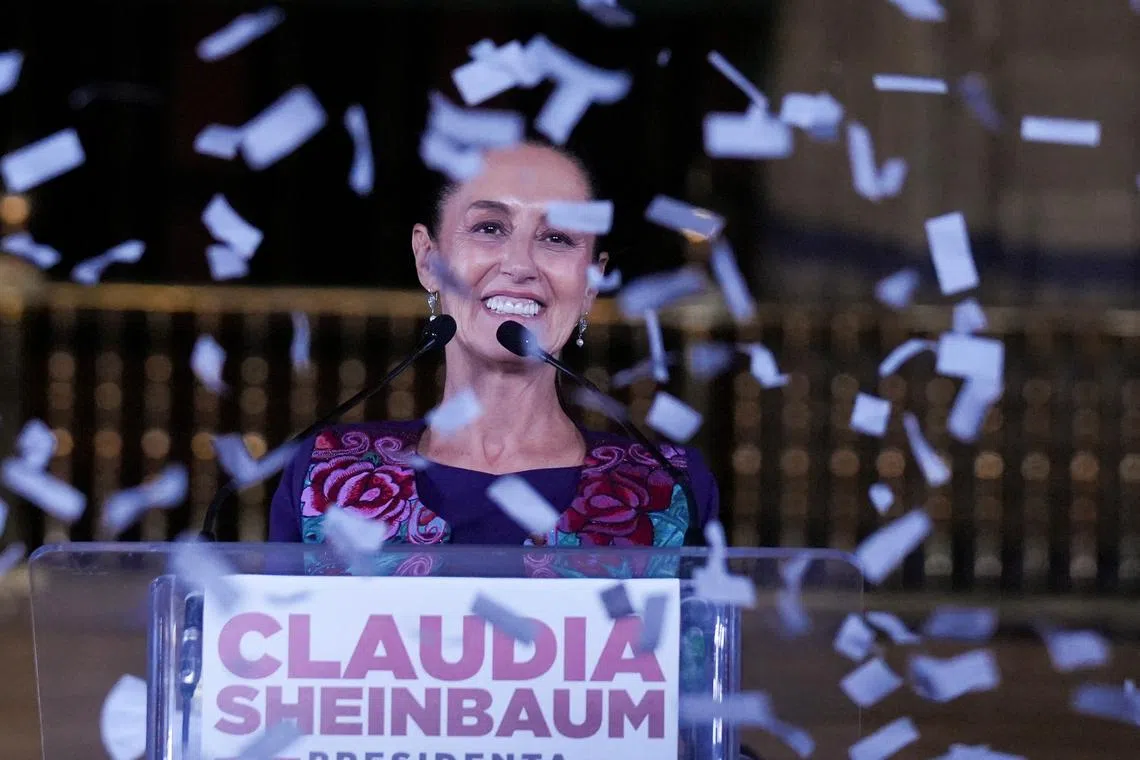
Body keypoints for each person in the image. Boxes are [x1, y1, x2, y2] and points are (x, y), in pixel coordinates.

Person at [268, 141, 719, 562]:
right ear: (428, 260)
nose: (520, 265)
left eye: (557, 237)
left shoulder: (671, 488)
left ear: (591, 284)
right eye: (489, 228)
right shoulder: (325, 478)